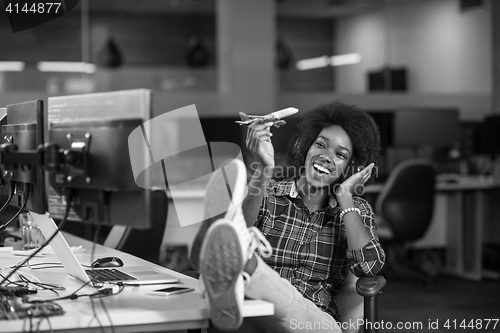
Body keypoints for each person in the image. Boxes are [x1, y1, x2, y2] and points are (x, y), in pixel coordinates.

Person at [195, 100, 386, 333]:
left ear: (350, 167)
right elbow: (237, 233)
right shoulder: (270, 193)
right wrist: (264, 169)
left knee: (284, 305)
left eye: (340, 154)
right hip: (259, 312)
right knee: (246, 315)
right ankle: (232, 268)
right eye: (320, 145)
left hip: (315, 322)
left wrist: (345, 196)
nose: (326, 156)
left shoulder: (357, 210)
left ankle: (248, 268)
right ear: (306, 147)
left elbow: (369, 268)